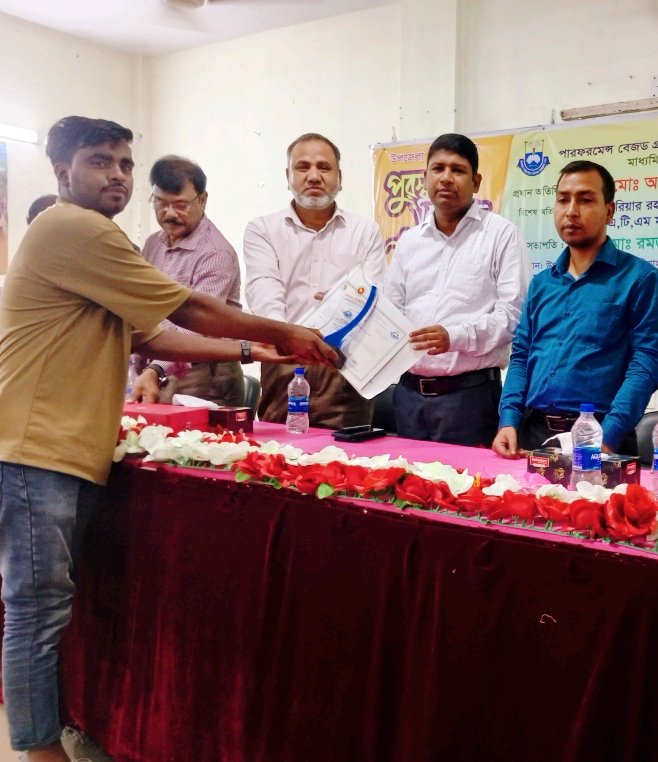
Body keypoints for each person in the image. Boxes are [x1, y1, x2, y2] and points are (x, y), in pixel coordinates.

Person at [0, 115, 337, 762]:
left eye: (126, 163)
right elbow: (186, 306)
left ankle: (59, 729)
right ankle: (39, 753)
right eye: (101, 161)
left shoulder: (96, 240)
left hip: (66, 451)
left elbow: (151, 334)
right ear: (61, 170)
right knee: (36, 612)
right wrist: (286, 333)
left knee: (52, 609)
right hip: (35, 449)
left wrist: (256, 350)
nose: (119, 176)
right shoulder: (74, 227)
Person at [493, 160, 658, 458]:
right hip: (531, 435)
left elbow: (647, 363)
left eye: (585, 200)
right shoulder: (542, 284)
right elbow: (521, 356)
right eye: (563, 199)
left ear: (609, 211)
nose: (571, 211)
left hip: (602, 437)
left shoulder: (639, 278)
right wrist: (508, 420)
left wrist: (610, 435)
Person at [384, 134, 529, 446]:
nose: (446, 178)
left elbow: (513, 317)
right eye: (438, 169)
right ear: (424, 178)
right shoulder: (409, 242)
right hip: (408, 396)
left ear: (476, 182)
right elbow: (391, 312)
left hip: (470, 399)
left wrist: (454, 336)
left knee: (466, 479)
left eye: (458, 170)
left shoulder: (501, 235)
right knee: (405, 478)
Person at [244, 132, 386, 428]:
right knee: (278, 451)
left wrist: (343, 302)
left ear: (339, 178)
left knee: (349, 453)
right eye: (302, 167)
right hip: (283, 361)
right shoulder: (263, 230)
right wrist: (288, 338)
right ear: (288, 176)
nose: (313, 176)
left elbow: (373, 298)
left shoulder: (365, 232)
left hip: (344, 366)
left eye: (324, 167)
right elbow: (264, 289)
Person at [134, 156, 245, 406]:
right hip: (158, 366)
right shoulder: (153, 244)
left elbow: (197, 324)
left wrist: (155, 368)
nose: (169, 213)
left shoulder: (215, 253)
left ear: (202, 200)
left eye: (180, 205)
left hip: (205, 372)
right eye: (161, 203)